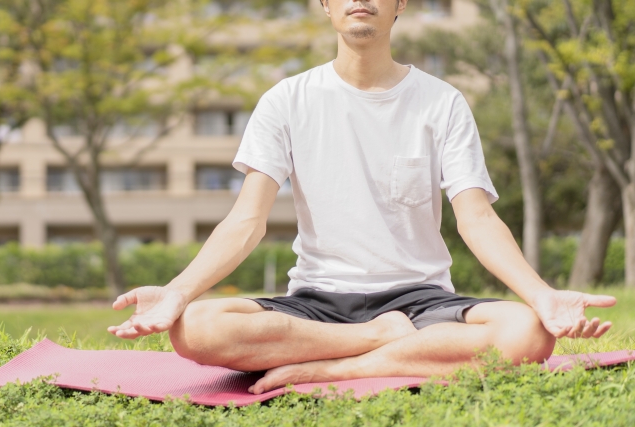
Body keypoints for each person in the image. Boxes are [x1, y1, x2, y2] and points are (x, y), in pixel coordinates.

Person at [108, 0, 616, 395]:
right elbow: (246, 221)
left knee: (529, 332)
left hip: (420, 300)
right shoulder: (287, 100)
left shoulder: (442, 102)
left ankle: (338, 368)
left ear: (401, 4)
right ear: (325, 5)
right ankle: (376, 342)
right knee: (195, 328)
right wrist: (176, 292)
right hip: (316, 302)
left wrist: (543, 296)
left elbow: (477, 219)